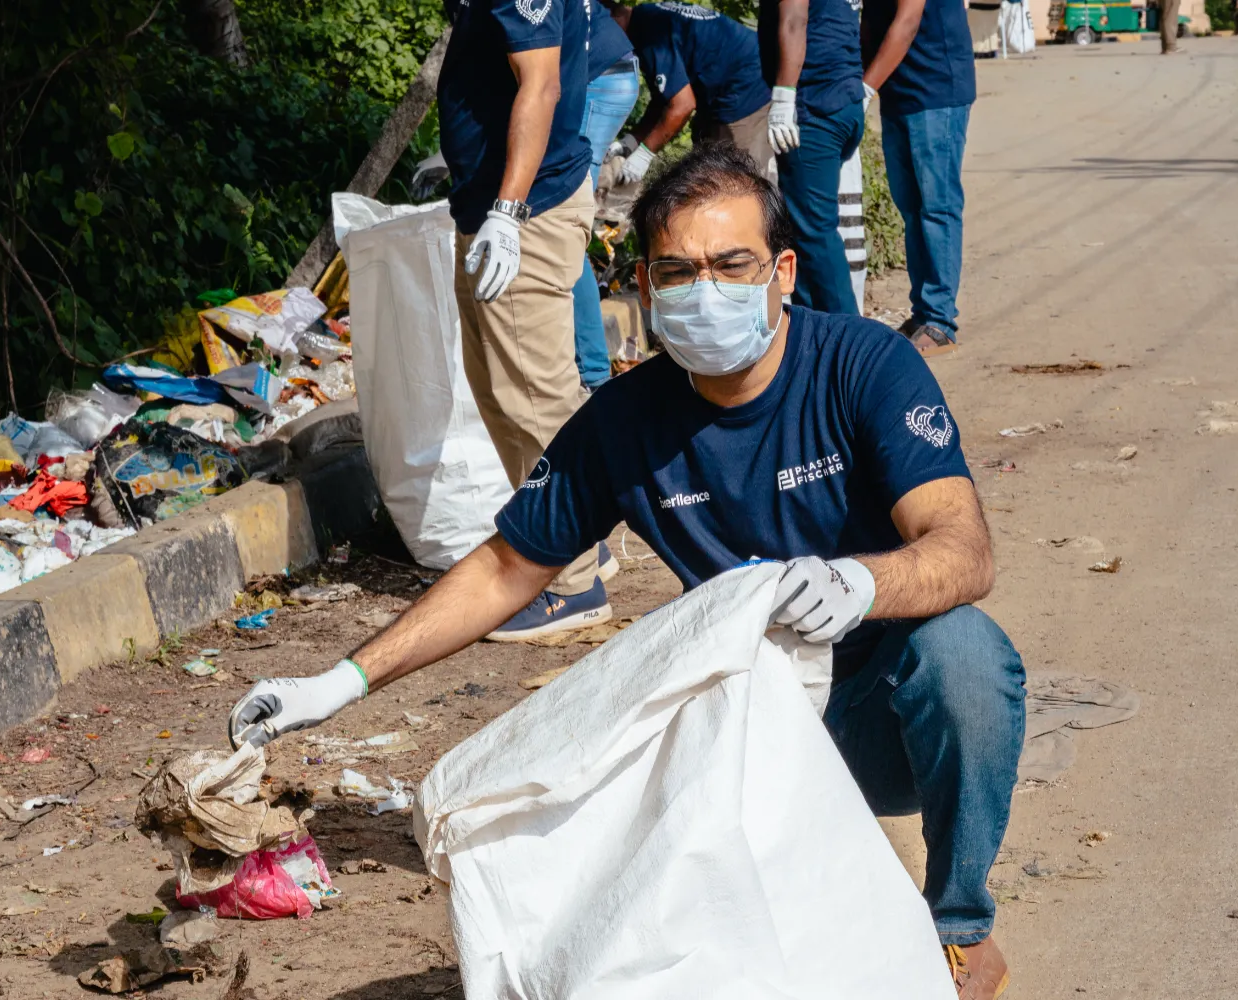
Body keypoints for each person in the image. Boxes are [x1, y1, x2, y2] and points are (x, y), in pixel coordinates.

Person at [227, 146, 1022, 1000]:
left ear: (783, 272)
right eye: (677, 271)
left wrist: (860, 585)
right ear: (643, 285)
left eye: (732, 265)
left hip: (880, 718)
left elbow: (963, 547)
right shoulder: (623, 422)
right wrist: (342, 681)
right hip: (743, 721)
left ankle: (958, 931)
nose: (704, 289)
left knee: (965, 657)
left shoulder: (862, 367)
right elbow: (505, 566)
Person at [435, 0, 617, 640]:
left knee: (535, 398)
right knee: (498, 389)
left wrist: (508, 210)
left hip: (526, 211)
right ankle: (571, 539)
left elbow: (543, 81)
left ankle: (570, 583)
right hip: (499, 203)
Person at [862, 0, 976, 354]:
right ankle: (922, 312)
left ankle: (941, 321)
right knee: (912, 210)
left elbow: (908, 21)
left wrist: (864, 88)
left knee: (936, 208)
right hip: (899, 92)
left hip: (936, 90)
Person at [759, 0, 866, 314]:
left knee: (814, 231)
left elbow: (794, 20)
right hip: (842, 98)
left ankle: (853, 344)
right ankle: (814, 334)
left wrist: (782, 97)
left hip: (816, 105)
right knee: (801, 231)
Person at [606, 1, 774, 184]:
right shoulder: (647, 16)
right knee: (703, 158)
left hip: (747, 87)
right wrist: (631, 142)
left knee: (735, 175)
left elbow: (682, 105)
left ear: (614, 18)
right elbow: (666, 98)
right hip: (725, 83)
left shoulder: (650, 34)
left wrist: (644, 155)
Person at [570, 1, 641, 392]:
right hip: (605, 69)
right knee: (562, 217)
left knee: (562, 221)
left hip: (597, 76)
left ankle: (593, 372)